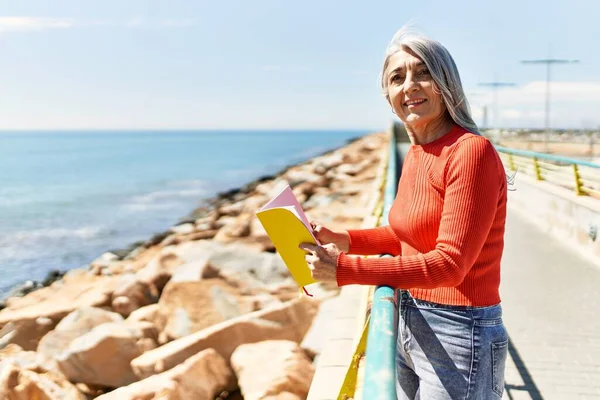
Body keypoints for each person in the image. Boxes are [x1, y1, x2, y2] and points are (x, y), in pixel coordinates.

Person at [300, 28, 509, 400]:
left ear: (447, 83)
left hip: (461, 335)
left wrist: (345, 269)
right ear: (388, 96)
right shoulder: (418, 151)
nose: (410, 85)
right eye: (397, 78)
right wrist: (342, 238)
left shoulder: (470, 152)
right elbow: (409, 233)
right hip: (410, 318)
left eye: (423, 72)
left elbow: (450, 265)